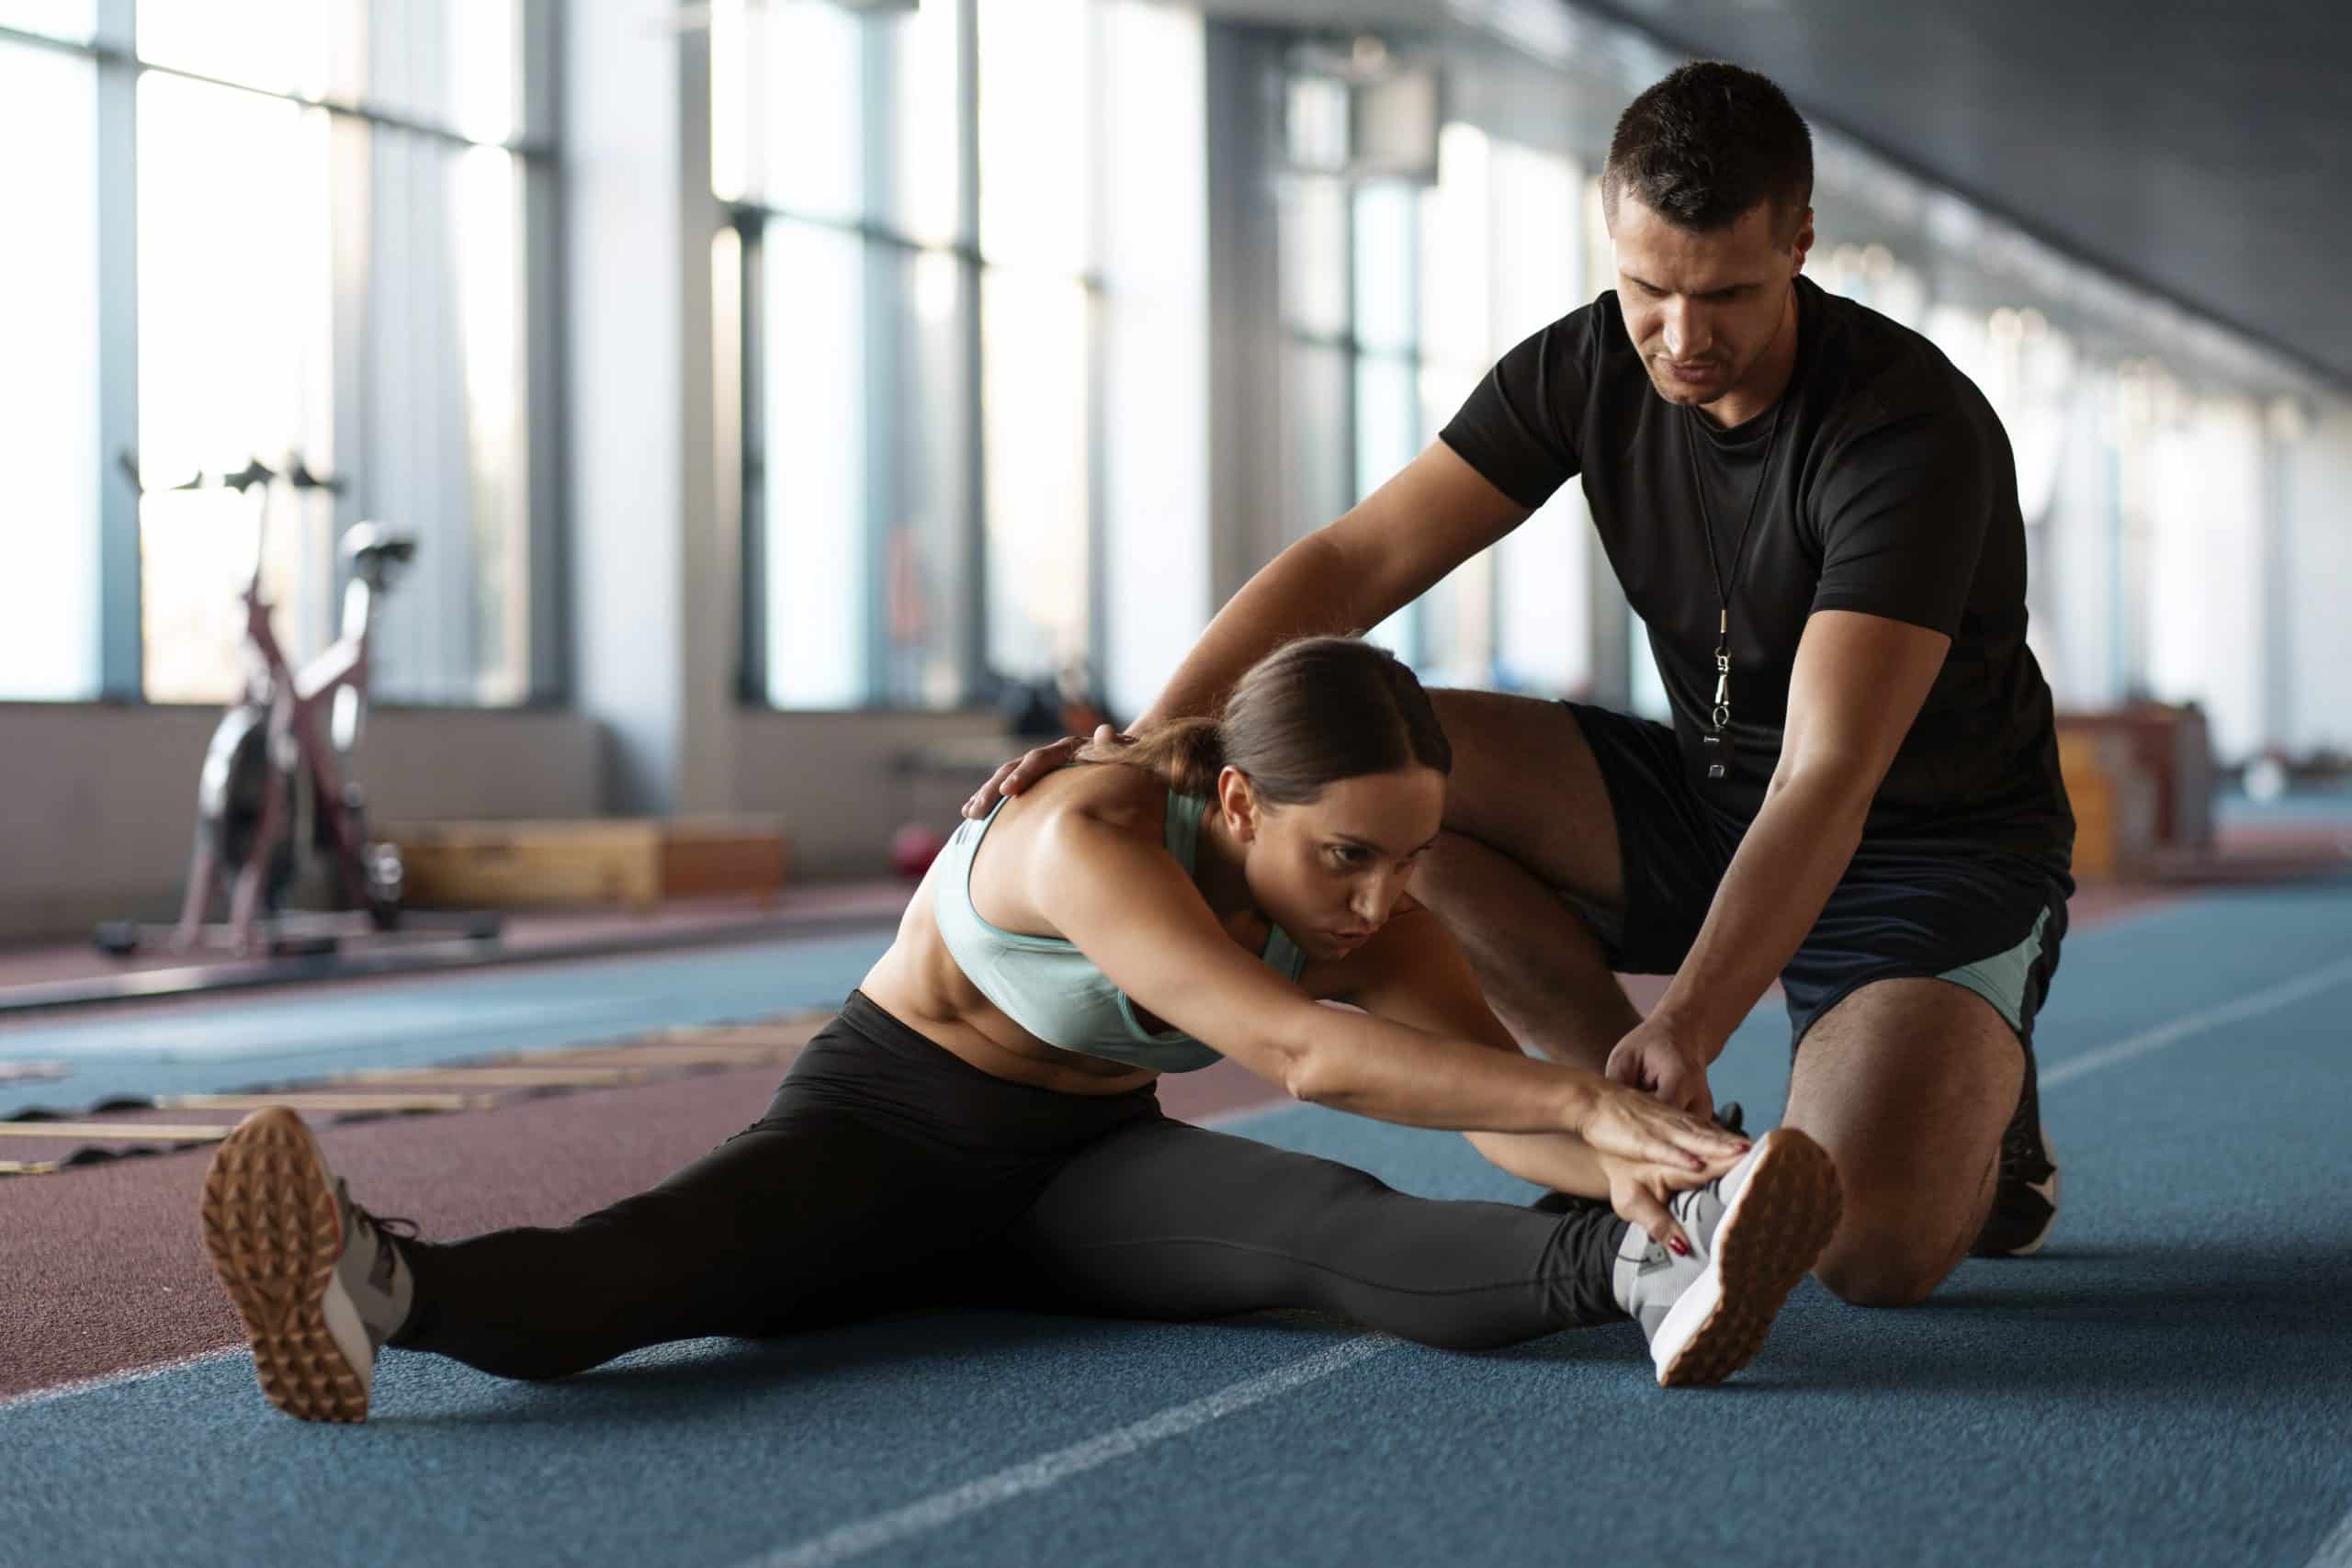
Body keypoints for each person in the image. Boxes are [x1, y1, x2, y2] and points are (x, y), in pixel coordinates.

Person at [968, 63, 2073, 1311]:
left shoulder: (1905, 434)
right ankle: (1632, 1143)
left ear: (1799, 244)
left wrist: (1691, 1022)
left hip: (1925, 853)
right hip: (1712, 800)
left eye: (1726, 295)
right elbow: (1356, 559)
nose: (1683, 338)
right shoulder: (1585, 367)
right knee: (1397, 787)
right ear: (1612, 237)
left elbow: (1828, 775)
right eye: (1650, 289)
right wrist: (1145, 744)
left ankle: (1989, 1109)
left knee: (1868, 1251)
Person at [198, 637, 1839, 1426]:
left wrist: (1667, 1173)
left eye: (1412, 858)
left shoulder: (1366, 901)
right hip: (881, 1139)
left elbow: (1480, 1109)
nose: (1381, 899)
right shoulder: (1085, 834)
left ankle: (1653, 1278)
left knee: (1330, 1225)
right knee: (645, 1271)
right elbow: (1305, 1055)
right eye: (1351, 856)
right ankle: (374, 1283)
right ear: (1238, 802)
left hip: (1081, 1166)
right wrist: (1587, 1101)